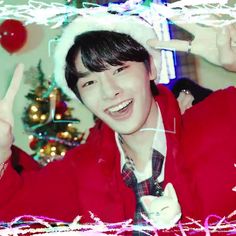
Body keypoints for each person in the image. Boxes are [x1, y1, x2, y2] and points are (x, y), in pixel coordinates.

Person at [0, 8, 235, 233]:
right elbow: (13, 212)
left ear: (150, 68)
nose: (109, 92)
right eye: (90, 82)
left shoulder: (221, 121)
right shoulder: (81, 172)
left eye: (120, 70)